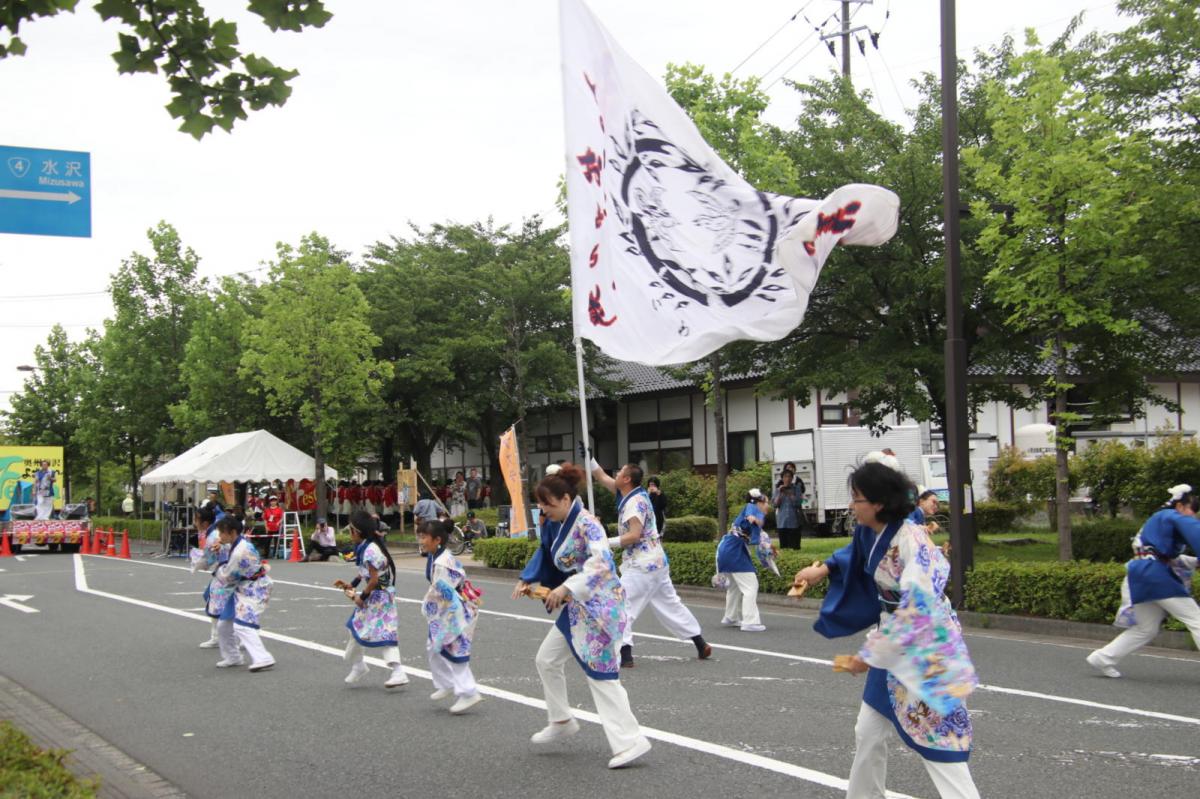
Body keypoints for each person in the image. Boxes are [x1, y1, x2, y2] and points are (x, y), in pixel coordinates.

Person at [793, 461, 979, 799]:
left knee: (939, 745)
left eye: (857, 498)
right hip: (892, 640)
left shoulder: (913, 540)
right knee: (867, 731)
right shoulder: (871, 531)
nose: (851, 505)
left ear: (878, 503)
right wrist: (823, 570)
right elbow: (854, 555)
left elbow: (917, 610)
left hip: (926, 648)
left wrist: (867, 656)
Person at [512, 463, 651, 769]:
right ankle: (561, 719)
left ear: (565, 499)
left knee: (601, 675)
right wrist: (528, 579)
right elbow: (546, 552)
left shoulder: (588, 523)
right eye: (540, 505)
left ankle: (630, 741)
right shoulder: (558, 521)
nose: (543, 511)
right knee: (547, 659)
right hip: (578, 607)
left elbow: (601, 563)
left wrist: (566, 587)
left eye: (547, 505)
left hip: (601, 608)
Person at [590, 460, 710, 667]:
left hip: (642, 566)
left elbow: (634, 535)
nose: (615, 474)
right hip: (657, 563)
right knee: (671, 604)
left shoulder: (635, 502)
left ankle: (626, 655)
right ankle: (700, 643)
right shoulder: (631, 494)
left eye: (620, 472)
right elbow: (601, 476)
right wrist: (590, 459)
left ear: (626, 479)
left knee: (619, 603)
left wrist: (605, 542)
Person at [1087, 483, 1200, 679]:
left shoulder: (1159, 520)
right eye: (1192, 510)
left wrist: (1195, 562)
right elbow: (1192, 533)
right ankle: (1104, 657)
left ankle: (1103, 657)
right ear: (1180, 506)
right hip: (1155, 574)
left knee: (1146, 628)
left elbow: (1163, 556)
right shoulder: (1170, 516)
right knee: (1196, 619)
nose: (1193, 516)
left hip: (1142, 573)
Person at [418, 519, 482, 713]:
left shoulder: (442, 563)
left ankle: (469, 693)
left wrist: (428, 607)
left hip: (456, 610)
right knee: (434, 646)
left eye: (424, 537)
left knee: (456, 650)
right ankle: (446, 683)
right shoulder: (436, 556)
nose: (421, 541)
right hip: (447, 609)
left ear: (437, 540)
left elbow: (443, 592)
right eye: (420, 536)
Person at [339, 511, 408, 688]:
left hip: (380, 596)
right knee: (355, 626)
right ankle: (358, 665)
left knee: (385, 632)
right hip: (377, 595)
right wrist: (352, 584)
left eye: (350, 530)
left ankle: (398, 672)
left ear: (357, 531)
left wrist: (361, 597)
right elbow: (365, 573)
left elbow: (374, 579)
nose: (349, 534)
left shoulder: (370, 550)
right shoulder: (366, 545)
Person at [207, 515, 276, 672]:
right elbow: (229, 553)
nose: (220, 536)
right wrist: (221, 548)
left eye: (222, 532)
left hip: (254, 589)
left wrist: (217, 564)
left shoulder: (240, 551)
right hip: (242, 587)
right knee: (224, 624)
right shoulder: (240, 542)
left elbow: (227, 576)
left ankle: (263, 658)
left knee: (242, 624)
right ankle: (233, 656)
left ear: (232, 532)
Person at [714, 489, 775, 632]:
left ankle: (731, 617)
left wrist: (769, 551)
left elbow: (760, 541)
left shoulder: (752, 514)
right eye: (766, 502)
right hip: (734, 551)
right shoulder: (751, 508)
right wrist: (753, 518)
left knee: (734, 586)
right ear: (758, 502)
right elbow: (750, 512)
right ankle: (750, 622)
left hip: (727, 549)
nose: (768, 506)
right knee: (751, 586)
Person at [193, 504, 227, 649]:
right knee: (215, 600)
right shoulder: (215, 531)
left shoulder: (212, 535)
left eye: (196, 520)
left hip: (226, 574)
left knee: (215, 603)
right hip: (227, 572)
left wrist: (197, 564)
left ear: (205, 522)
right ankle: (220, 636)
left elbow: (209, 559)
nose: (195, 523)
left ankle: (218, 637)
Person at [773, 469, 803, 550]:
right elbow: (775, 505)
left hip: (793, 521)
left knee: (794, 547)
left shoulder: (796, 488)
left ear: (792, 478)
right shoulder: (778, 489)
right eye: (785, 477)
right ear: (782, 478)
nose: (787, 479)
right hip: (782, 522)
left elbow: (799, 503)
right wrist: (780, 493)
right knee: (784, 547)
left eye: (789, 477)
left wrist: (789, 493)